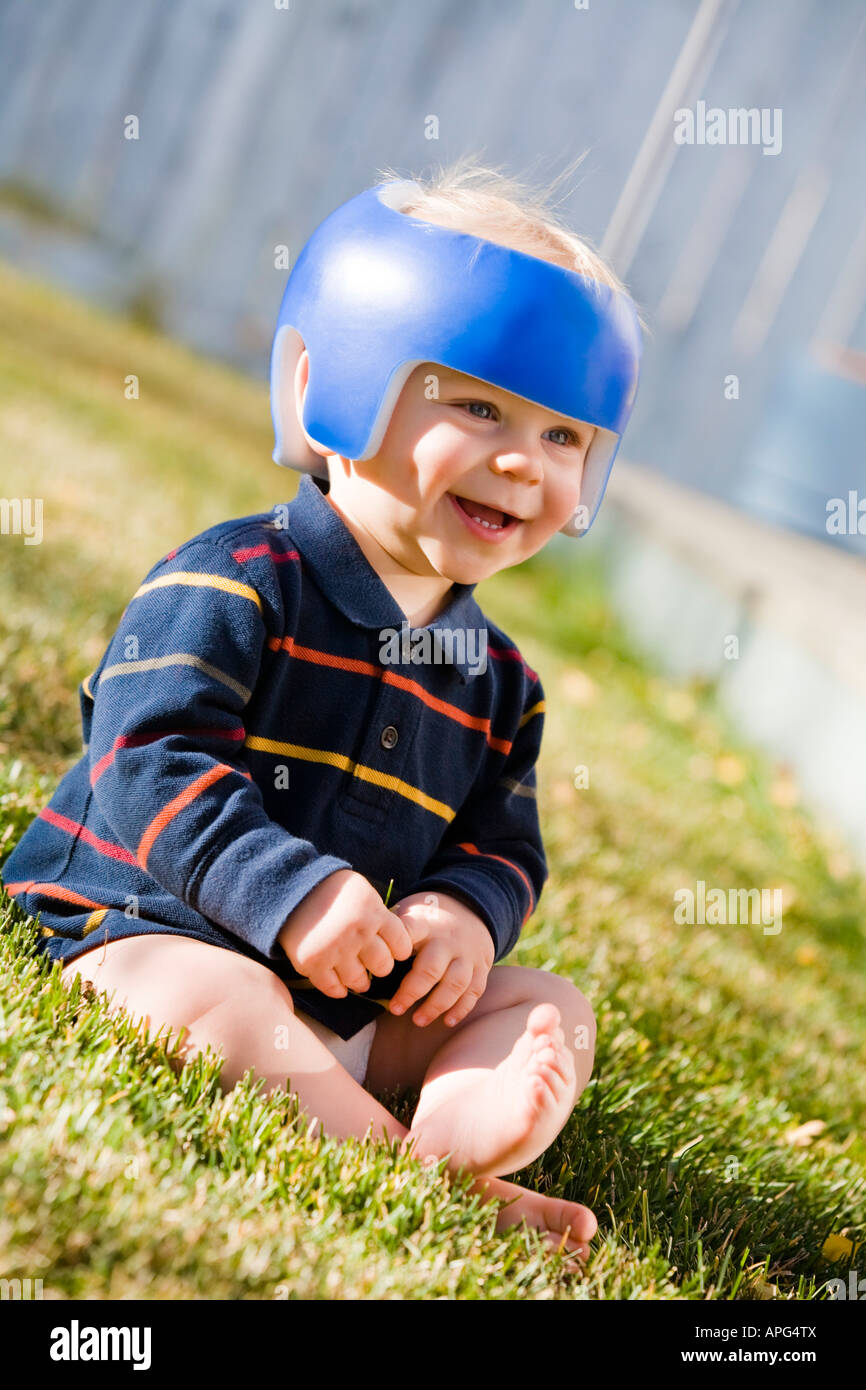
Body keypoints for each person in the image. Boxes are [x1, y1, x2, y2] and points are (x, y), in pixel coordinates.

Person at [1, 159, 641, 1260]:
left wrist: (461, 916)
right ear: (326, 386)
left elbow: (504, 842)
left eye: (560, 436)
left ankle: (447, 1124)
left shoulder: (499, 681)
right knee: (212, 998)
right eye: (478, 404)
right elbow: (150, 755)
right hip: (134, 933)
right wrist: (291, 893)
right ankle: (419, 1177)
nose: (517, 460)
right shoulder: (235, 580)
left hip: (343, 997)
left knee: (545, 1000)